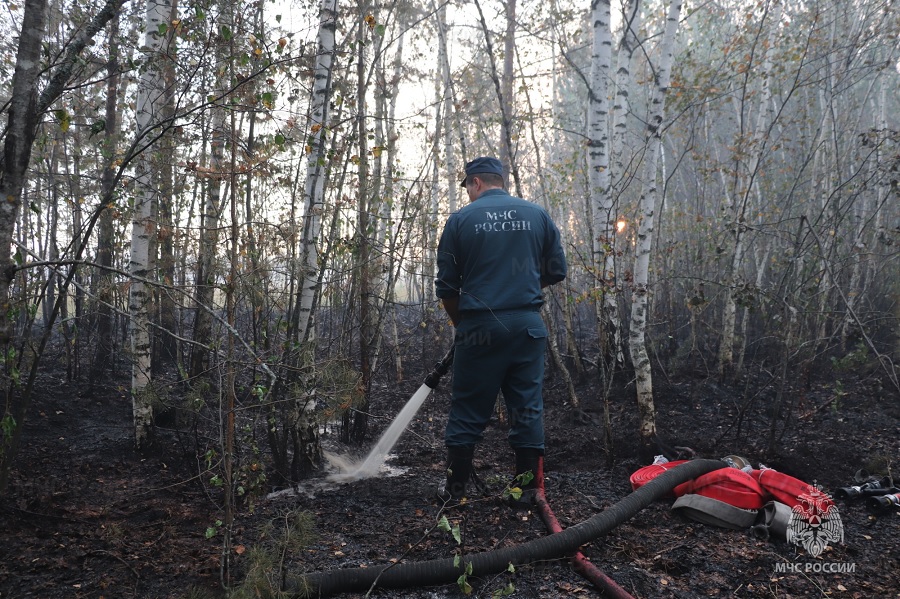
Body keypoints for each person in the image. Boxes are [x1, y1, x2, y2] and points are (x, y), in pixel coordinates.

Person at [434, 156, 567, 507]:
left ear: (475, 183)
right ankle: (528, 492)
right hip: (527, 327)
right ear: (499, 180)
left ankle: (455, 493)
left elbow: (446, 288)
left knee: (467, 410)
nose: (467, 193)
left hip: (479, 325)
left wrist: (464, 326)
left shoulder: (461, 219)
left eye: (467, 187)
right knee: (527, 407)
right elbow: (556, 270)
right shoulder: (536, 214)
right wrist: (519, 284)